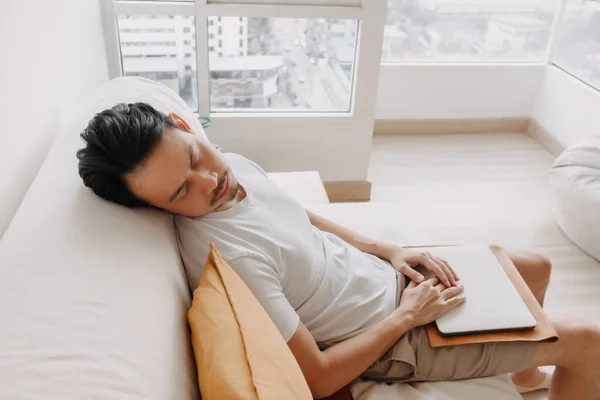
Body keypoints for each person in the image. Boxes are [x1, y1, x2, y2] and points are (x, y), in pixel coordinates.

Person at [77, 102, 600, 400]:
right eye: (179, 193)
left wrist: (386, 249)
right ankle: (545, 358)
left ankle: (529, 379)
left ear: (184, 124)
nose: (209, 180)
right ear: (157, 208)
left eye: (195, 157)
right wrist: (404, 318)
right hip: (397, 339)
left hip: (392, 281)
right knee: (589, 340)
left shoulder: (232, 163)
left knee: (536, 265)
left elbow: (293, 214)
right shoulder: (229, 260)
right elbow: (317, 376)